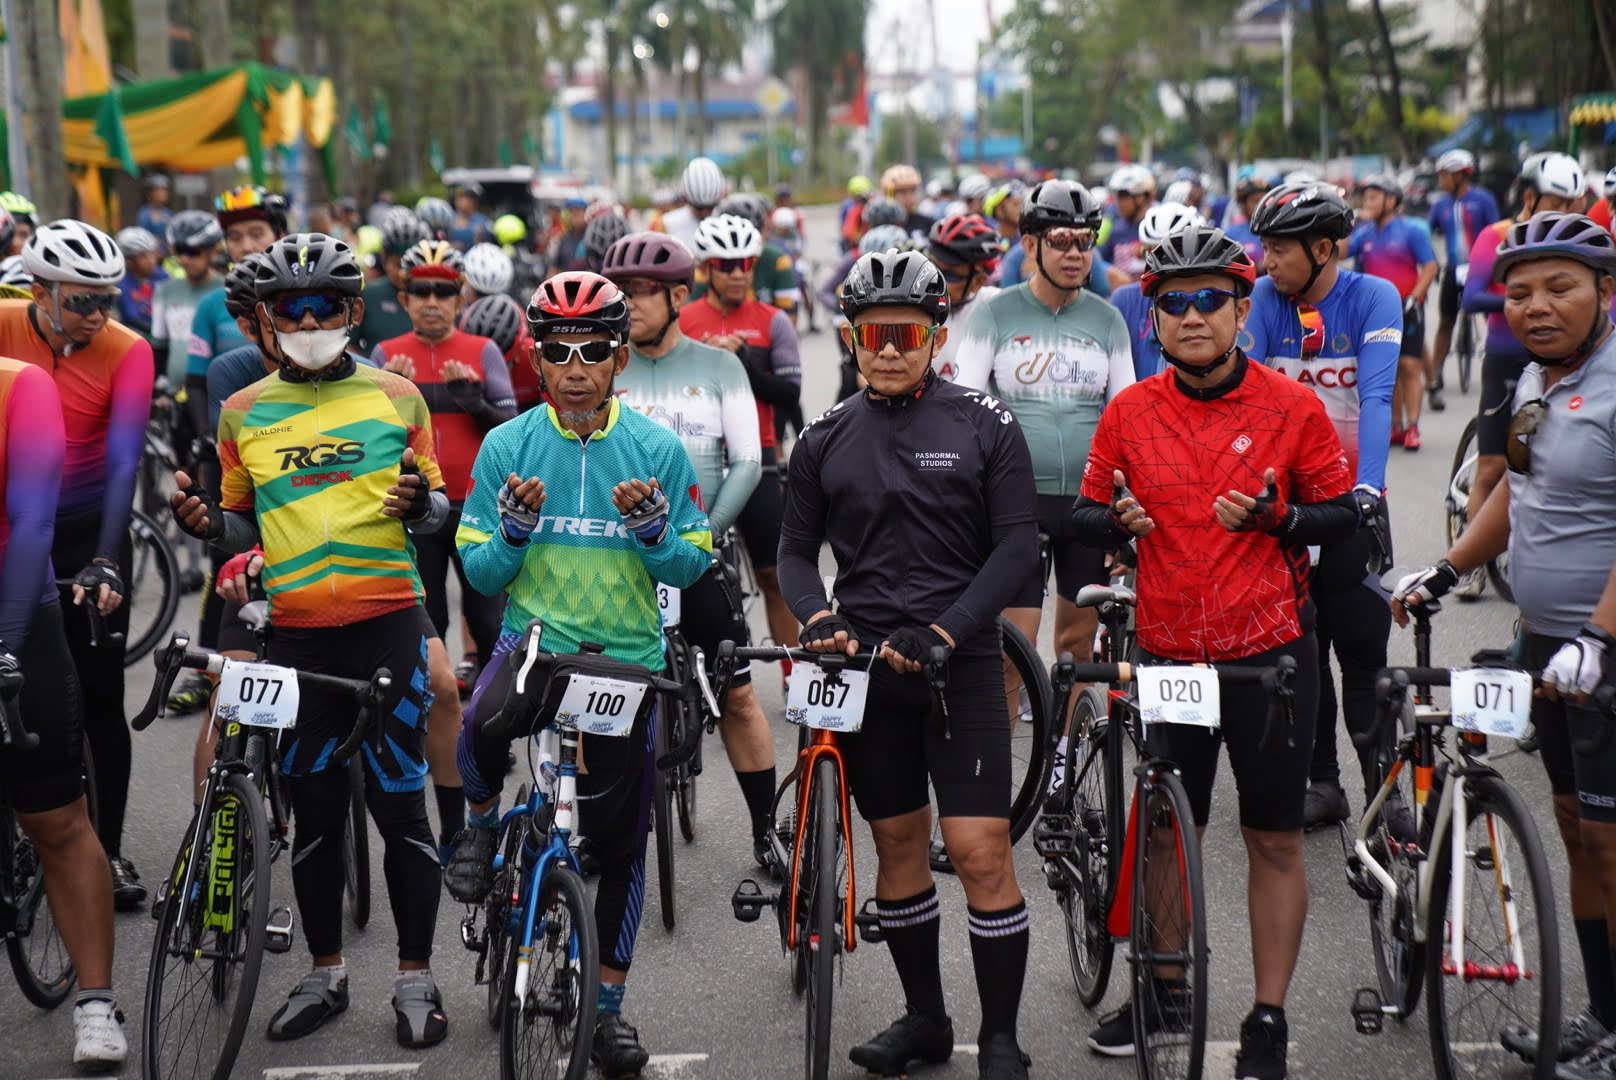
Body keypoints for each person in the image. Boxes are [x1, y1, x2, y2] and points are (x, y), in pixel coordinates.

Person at [1072, 225, 1356, 1080]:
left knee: (1274, 839)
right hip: (1170, 654)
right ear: (1153, 319)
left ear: (1241, 309)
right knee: (1166, 829)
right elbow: (1083, 514)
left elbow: (1344, 517)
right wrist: (1114, 523)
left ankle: (1267, 1018)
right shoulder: (1129, 411)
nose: (1192, 316)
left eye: (1210, 300)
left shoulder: (1291, 406)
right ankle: (1164, 993)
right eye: (1173, 303)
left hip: (1271, 656)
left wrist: (1282, 520)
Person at [169, 232, 451, 1048]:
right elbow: (239, 523)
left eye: (324, 305)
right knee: (320, 817)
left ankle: (415, 977)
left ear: (353, 310)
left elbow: (439, 509)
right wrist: (206, 526)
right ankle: (326, 971)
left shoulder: (399, 397)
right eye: (289, 308)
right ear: (265, 319)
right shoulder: (241, 411)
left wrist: (419, 505)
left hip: (387, 624)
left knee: (401, 809)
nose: (307, 320)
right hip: (297, 639)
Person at [445, 271, 713, 1077]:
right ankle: (482, 826)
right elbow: (480, 574)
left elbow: (692, 566)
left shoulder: (656, 450)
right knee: (477, 727)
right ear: (535, 359)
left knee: (622, 845)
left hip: (623, 658)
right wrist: (512, 534)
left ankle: (607, 1012)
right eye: (556, 352)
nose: (574, 367)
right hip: (535, 643)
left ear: (620, 358)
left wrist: (657, 534)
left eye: (593, 350)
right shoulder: (508, 447)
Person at [780, 248, 1039, 1080]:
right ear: (850, 338)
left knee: (980, 851)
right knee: (896, 847)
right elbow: (794, 555)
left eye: (907, 333)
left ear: (937, 336)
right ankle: (927, 1019)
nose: (889, 349)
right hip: (866, 670)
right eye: (873, 334)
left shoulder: (986, 422)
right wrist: (818, 616)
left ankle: (999, 1039)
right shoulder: (824, 438)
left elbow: (1018, 549)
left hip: (958, 664)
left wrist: (947, 632)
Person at [1389, 212, 1616, 1078]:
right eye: (1519, 293)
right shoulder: (1531, 379)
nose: (1536, 307)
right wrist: (1446, 569)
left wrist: (1600, 635)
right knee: (1577, 830)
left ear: (1604, 290)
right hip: (1552, 643)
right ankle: (1601, 1015)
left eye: (1560, 288)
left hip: (1602, 647)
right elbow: (1516, 496)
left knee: (1612, 841)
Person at [599, 231, 783, 868]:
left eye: (642, 291)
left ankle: (766, 828)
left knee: (738, 695)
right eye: (620, 291)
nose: (629, 303)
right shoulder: (601, 365)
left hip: (693, 548)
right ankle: (595, 829)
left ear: (679, 296)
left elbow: (748, 460)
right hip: (615, 557)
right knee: (593, 692)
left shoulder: (719, 366)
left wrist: (706, 532)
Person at [953, 180, 1134, 785]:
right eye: (1061, 240)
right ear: (1030, 243)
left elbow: (1127, 419)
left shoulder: (1107, 319)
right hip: (1016, 505)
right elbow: (967, 410)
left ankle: (1062, 768)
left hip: (1086, 505)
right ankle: (993, 785)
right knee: (1012, 651)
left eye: (1085, 241)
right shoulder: (995, 312)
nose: (1075, 253)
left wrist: (1125, 509)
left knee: (1077, 651)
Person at [0, 221, 155, 909]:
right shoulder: (4, 325)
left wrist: (105, 560)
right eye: (83, 300)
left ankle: (109, 849)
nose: (97, 314)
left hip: (87, 532)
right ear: (40, 292)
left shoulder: (128, 349)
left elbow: (124, 462)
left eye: (107, 300)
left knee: (97, 696)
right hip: (12, 532)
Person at [1243, 181, 1400, 832]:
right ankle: (1324, 784)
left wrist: (1367, 489)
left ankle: (1386, 795)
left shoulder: (1373, 297)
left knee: (1363, 659)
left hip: (1351, 503)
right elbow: (1249, 394)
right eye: (1264, 249)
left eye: (1279, 250)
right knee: (1302, 658)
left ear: (1325, 249)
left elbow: (1376, 398)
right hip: (1287, 512)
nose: (1267, 262)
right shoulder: (1263, 298)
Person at [0, 355, 128, 1070]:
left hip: (17, 615)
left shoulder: (20, 385)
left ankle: (96, 1002)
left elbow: (30, 524)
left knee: (55, 820)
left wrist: (4, 646)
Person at [373, 239, 515, 830]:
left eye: (443, 292)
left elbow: (512, 430)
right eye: (420, 292)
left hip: (476, 507)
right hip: (416, 511)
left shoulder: (482, 351)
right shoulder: (385, 354)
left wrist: (475, 403)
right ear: (404, 298)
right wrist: (386, 391)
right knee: (424, 629)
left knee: (489, 623)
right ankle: (428, 731)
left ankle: (490, 733)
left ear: (461, 298)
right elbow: (365, 441)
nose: (432, 302)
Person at [167, 186, 290, 716]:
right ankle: (210, 665)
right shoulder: (211, 305)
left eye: (255, 233)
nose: (244, 244)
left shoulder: (304, 292)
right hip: (231, 439)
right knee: (227, 558)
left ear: (279, 235)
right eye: (235, 236)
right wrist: (204, 435)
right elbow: (198, 380)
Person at [1456, 151, 1588, 599]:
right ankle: (1469, 563)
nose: (1566, 211)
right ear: (1529, 197)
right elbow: (1472, 297)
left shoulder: (1575, 241)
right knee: (1495, 466)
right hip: (1508, 360)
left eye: (1572, 204)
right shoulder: (1497, 236)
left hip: (1561, 363)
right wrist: (1528, 302)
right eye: (1556, 202)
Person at [681, 214, 803, 661]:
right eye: (727, 265)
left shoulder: (773, 321)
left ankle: (791, 674)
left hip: (757, 455)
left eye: (746, 264)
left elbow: (789, 393)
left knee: (773, 575)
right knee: (689, 570)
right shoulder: (683, 320)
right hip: (697, 455)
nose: (738, 274)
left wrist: (746, 365)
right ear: (707, 268)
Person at [1349, 174, 1438, 450]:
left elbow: (1430, 267)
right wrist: (1345, 223)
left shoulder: (1411, 230)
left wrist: (1415, 296)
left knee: (1410, 365)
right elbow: (1338, 252)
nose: (1368, 202)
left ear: (1391, 201)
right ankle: (1396, 426)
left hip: (1408, 307)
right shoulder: (1363, 233)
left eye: (1374, 197)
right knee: (1388, 368)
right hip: (1376, 311)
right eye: (1366, 198)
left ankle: (1413, 427)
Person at [1426, 148, 1501, 412]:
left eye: (1445, 175)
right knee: (1446, 321)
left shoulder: (1483, 199)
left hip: (1481, 269)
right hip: (1453, 268)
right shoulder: (1440, 204)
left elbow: (1496, 232)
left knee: (1492, 318)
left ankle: (1497, 361)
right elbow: (1426, 233)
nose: (1441, 180)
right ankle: (1435, 373)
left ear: (1460, 175)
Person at [1111, 202, 1206, 380]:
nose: (1163, 265)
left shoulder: (1212, 300)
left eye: (1175, 254)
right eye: (1153, 254)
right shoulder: (1125, 299)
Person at [921, 213, 1003, 382]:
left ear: (978, 282)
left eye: (950, 275)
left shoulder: (998, 308)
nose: (935, 280)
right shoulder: (911, 304)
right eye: (931, 268)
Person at [152, 210, 226, 390]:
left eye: (193, 252)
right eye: (179, 251)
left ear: (213, 251)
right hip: (174, 393)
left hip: (216, 393)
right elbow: (160, 347)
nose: (184, 259)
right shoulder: (164, 291)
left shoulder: (227, 291)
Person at [351, 207, 430, 354]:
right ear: (383, 259)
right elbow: (349, 346)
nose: (404, 273)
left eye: (412, 265)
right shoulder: (369, 295)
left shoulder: (438, 297)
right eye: (397, 264)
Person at [459, 292, 540, 411]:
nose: (494, 374)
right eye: (483, 368)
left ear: (519, 352)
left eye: (503, 366)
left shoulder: (535, 357)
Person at [1102, 164, 1158, 287]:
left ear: (1141, 197)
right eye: (1116, 196)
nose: (1117, 202)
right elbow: (1098, 262)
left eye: (1123, 196)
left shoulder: (1159, 228)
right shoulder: (1116, 229)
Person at [114, 226, 167, 346]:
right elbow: (132, 317)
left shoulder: (162, 276)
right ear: (129, 260)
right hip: (136, 339)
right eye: (143, 256)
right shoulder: (122, 282)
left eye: (152, 254)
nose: (151, 260)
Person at [1223, 173, 1270, 266]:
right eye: (1256, 201)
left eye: (1265, 200)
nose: (1262, 205)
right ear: (1243, 204)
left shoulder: (1275, 230)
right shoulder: (1231, 234)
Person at [882, 163, 936, 237]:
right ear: (890, 195)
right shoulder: (883, 228)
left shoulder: (928, 224)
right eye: (902, 192)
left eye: (913, 191)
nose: (909, 197)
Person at [447, 182, 493, 251]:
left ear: (474, 201)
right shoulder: (449, 217)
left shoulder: (482, 222)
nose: (459, 200)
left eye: (464, 197)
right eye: (459, 196)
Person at [136, 174, 173, 252]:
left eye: (165, 190)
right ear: (150, 193)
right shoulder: (144, 214)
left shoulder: (167, 212)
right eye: (159, 191)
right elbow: (144, 237)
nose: (163, 194)